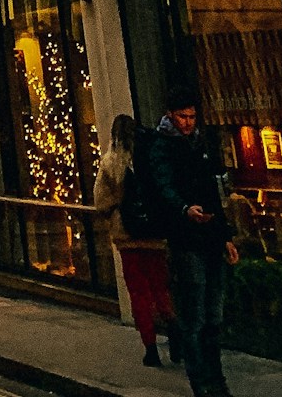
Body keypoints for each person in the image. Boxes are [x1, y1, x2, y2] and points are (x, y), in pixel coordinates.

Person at [145, 88, 238, 397]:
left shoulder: (202, 144)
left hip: (211, 238)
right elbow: (163, 187)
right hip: (186, 240)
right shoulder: (161, 146)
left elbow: (215, 193)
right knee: (195, 316)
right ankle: (201, 383)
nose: (188, 122)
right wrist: (185, 209)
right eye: (183, 117)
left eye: (192, 117)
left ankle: (218, 380)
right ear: (171, 115)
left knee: (215, 316)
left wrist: (226, 238)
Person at [94, 112, 174, 367]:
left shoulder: (110, 163)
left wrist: (118, 202)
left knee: (139, 293)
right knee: (161, 288)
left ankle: (150, 347)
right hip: (154, 234)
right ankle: (175, 331)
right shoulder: (151, 159)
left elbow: (101, 202)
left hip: (128, 237)